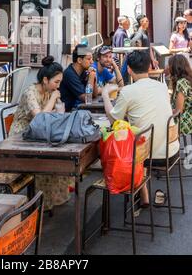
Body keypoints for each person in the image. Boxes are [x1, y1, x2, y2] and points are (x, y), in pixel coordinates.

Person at [102, 50, 179, 206]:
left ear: (129, 69)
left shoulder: (128, 91)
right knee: (139, 134)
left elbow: (113, 118)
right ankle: (143, 196)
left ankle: (132, 189)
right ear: (149, 67)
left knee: (123, 139)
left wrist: (105, 95)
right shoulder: (162, 86)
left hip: (148, 155)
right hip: (171, 149)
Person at [9, 56, 70, 211]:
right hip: (21, 136)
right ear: (45, 79)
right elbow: (40, 118)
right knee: (44, 163)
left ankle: (51, 200)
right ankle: (40, 205)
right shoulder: (30, 92)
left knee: (59, 158)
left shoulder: (49, 92)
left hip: (38, 135)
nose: (58, 85)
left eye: (59, 82)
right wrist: (54, 98)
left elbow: (51, 115)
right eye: (56, 82)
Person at [60, 45, 97, 112]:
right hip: (67, 113)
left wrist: (94, 78)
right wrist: (91, 77)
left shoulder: (83, 72)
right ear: (79, 60)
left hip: (77, 109)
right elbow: (87, 98)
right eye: (89, 59)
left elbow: (94, 95)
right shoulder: (69, 74)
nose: (92, 62)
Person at [169, 54, 192, 135]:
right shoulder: (189, 79)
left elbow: (179, 111)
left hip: (185, 123)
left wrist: (166, 111)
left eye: (170, 66)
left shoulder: (181, 82)